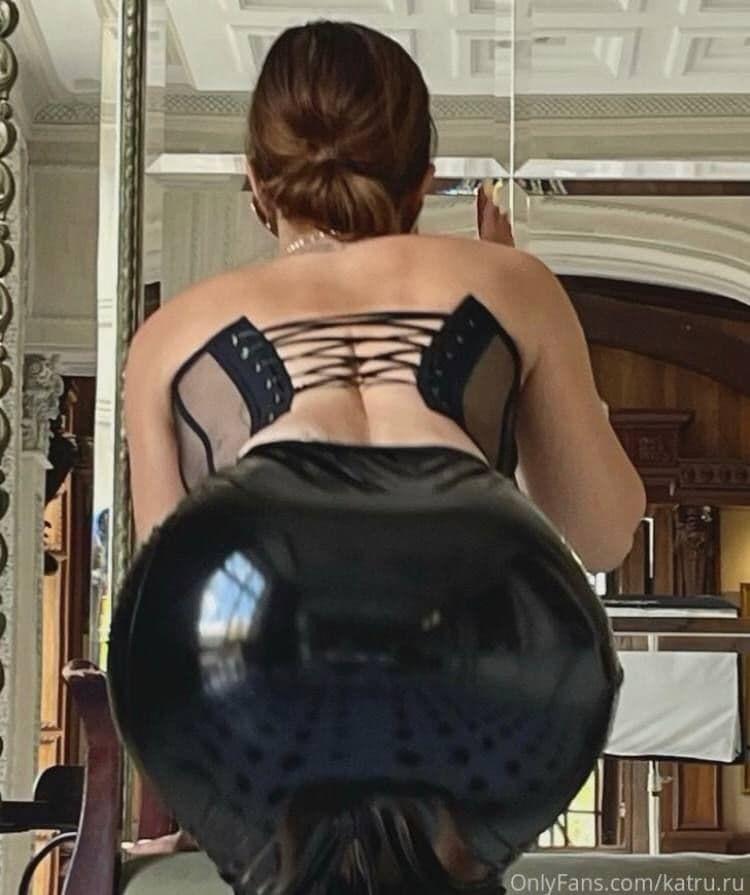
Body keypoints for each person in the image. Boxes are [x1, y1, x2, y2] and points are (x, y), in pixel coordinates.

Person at [110, 19, 645, 895]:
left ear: (256, 181)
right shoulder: (510, 282)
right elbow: (605, 533)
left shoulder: (171, 332)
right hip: (484, 632)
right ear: (423, 179)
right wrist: (527, 334)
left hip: (252, 638)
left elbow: (166, 581)